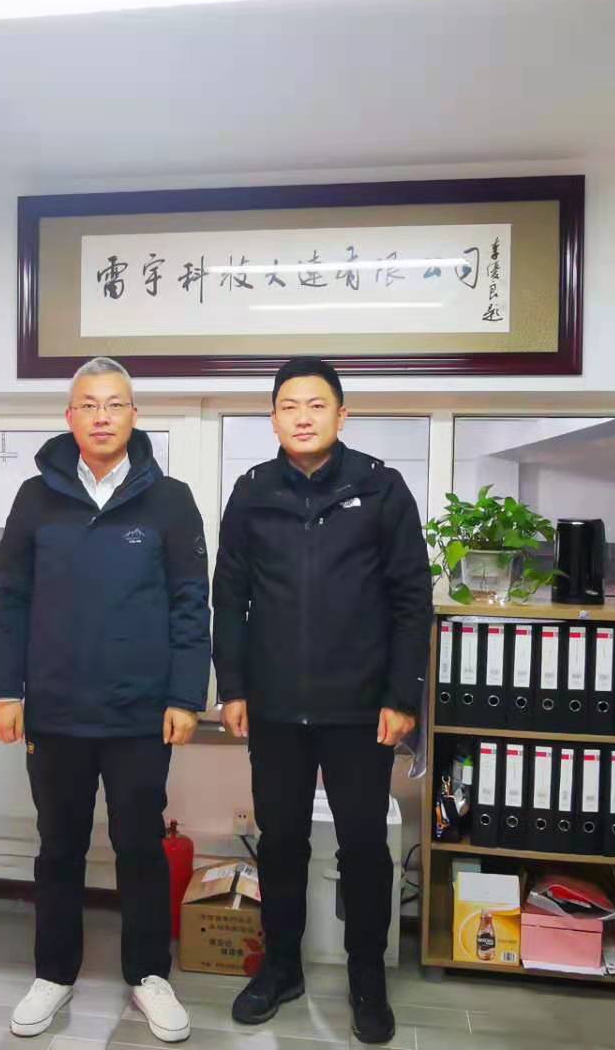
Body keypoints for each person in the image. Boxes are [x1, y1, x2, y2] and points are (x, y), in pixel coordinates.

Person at [0, 357, 209, 1043]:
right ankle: (54, 974)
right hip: (54, 709)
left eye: (115, 404)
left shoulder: (170, 500)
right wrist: (6, 690)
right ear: (70, 416)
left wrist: (185, 695)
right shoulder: (35, 497)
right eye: (89, 404)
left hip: (141, 712)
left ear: (134, 415)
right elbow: (10, 599)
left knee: (140, 845)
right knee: (59, 846)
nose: (103, 416)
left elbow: (190, 604)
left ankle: (149, 975)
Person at [213, 357, 433, 1045]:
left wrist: (402, 696)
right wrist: (233, 685)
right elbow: (230, 598)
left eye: (316, 404)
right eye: (288, 405)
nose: (302, 417)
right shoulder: (252, 492)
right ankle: (281, 968)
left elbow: (412, 600)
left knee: (364, 846)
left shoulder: (381, 487)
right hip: (275, 705)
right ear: (273, 418)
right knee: (280, 843)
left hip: (359, 708)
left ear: (342, 414)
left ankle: (367, 977)